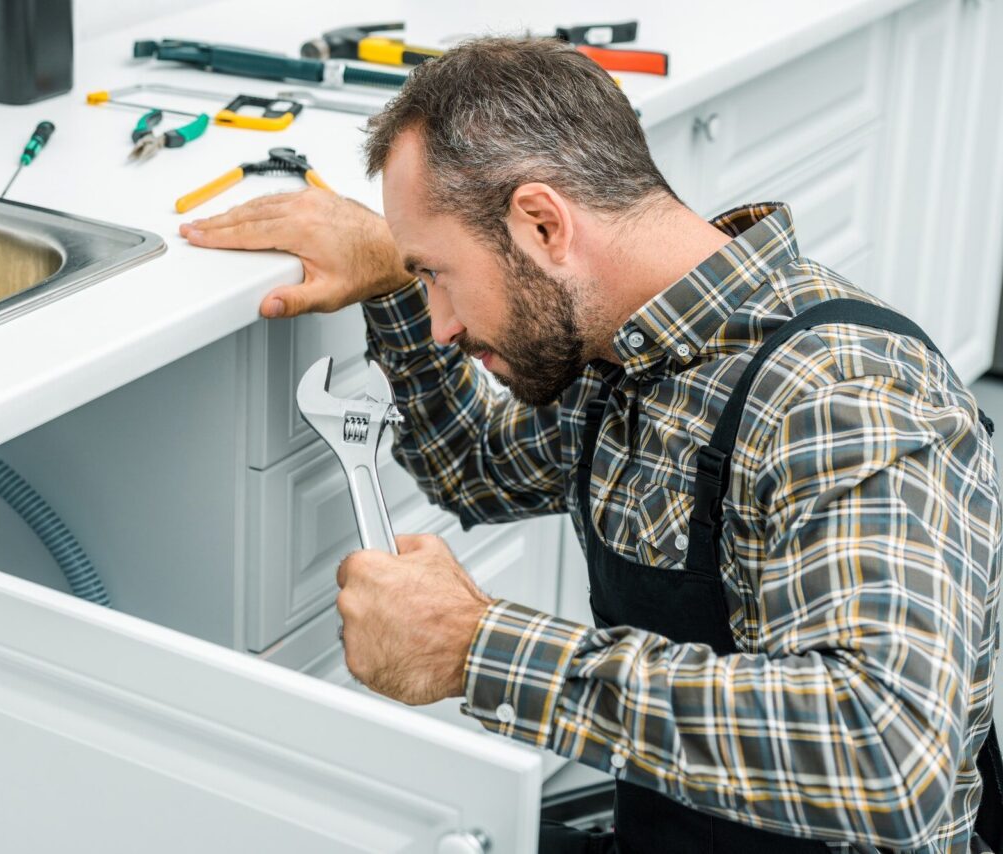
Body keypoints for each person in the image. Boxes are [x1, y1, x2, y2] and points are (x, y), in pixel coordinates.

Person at [179, 38, 1003, 854]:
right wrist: (396, 284)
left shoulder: (843, 396)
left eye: (437, 276)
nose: (441, 324)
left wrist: (477, 647)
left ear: (542, 223)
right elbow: (476, 468)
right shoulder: (621, 355)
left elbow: (891, 754)